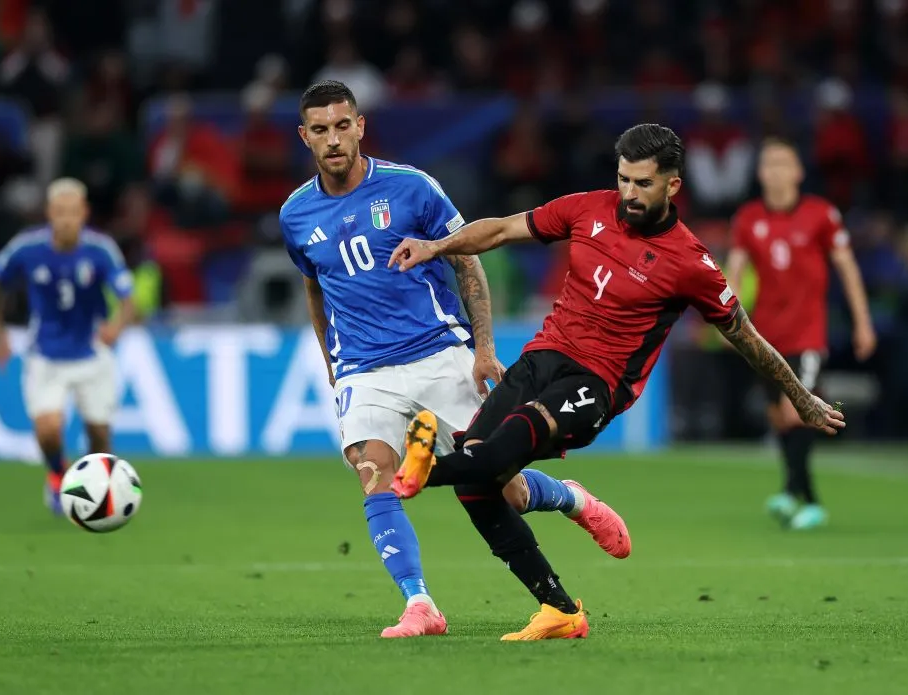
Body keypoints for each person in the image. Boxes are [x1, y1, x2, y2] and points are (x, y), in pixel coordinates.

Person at [387, 124, 846, 641]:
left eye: (643, 184)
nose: (628, 193)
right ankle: (561, 605)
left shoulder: (689, 262)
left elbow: (747, 338)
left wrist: (802, 398)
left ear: (672, 186)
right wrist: (435, 246)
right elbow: (499, 230)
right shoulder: (588, 208)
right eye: (623, 179)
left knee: (492, 460)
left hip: (596, 384)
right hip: (543, 358)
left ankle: (415, 474)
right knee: (475, 485)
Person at [279, 81, 630, 640]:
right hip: (364, 369)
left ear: (360, 126)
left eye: (343, 126)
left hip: (439, 353)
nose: (334, 139)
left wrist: (484, 348)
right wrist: (332, 364)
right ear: (305, 137)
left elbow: (468, 261)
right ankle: (420, 605)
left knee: (499, 485)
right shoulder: (295, 213)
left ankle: (569, 497)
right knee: (375, 472)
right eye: (320, 130)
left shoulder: (411, 188)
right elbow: (315, 287)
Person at [727, 137, 876, 530]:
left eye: (783, 163)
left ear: (798, 171)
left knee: (797, 410)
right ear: (760, 173)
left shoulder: (820, 214)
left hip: (808, 334)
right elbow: (735, 273)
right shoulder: (748, 218)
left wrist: (862, 322)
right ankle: (800, 496)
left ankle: (800, 496)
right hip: (764, 338)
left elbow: (847, 268)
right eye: (769, 163)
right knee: (778, 417)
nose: (775, 170)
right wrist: (728, 319)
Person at [0, 178, 135, 514]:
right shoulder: (27, 248)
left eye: (73, 212)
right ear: (49, 213)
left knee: (99, 437)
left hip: (91, 353)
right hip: (46, 355)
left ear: (84, 213)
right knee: (49, 430)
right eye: (60, 212)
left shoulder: (101, 250)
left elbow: (128, 298)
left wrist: (116, 326)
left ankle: (97, 494)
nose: (66, 219)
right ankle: (56, 475)